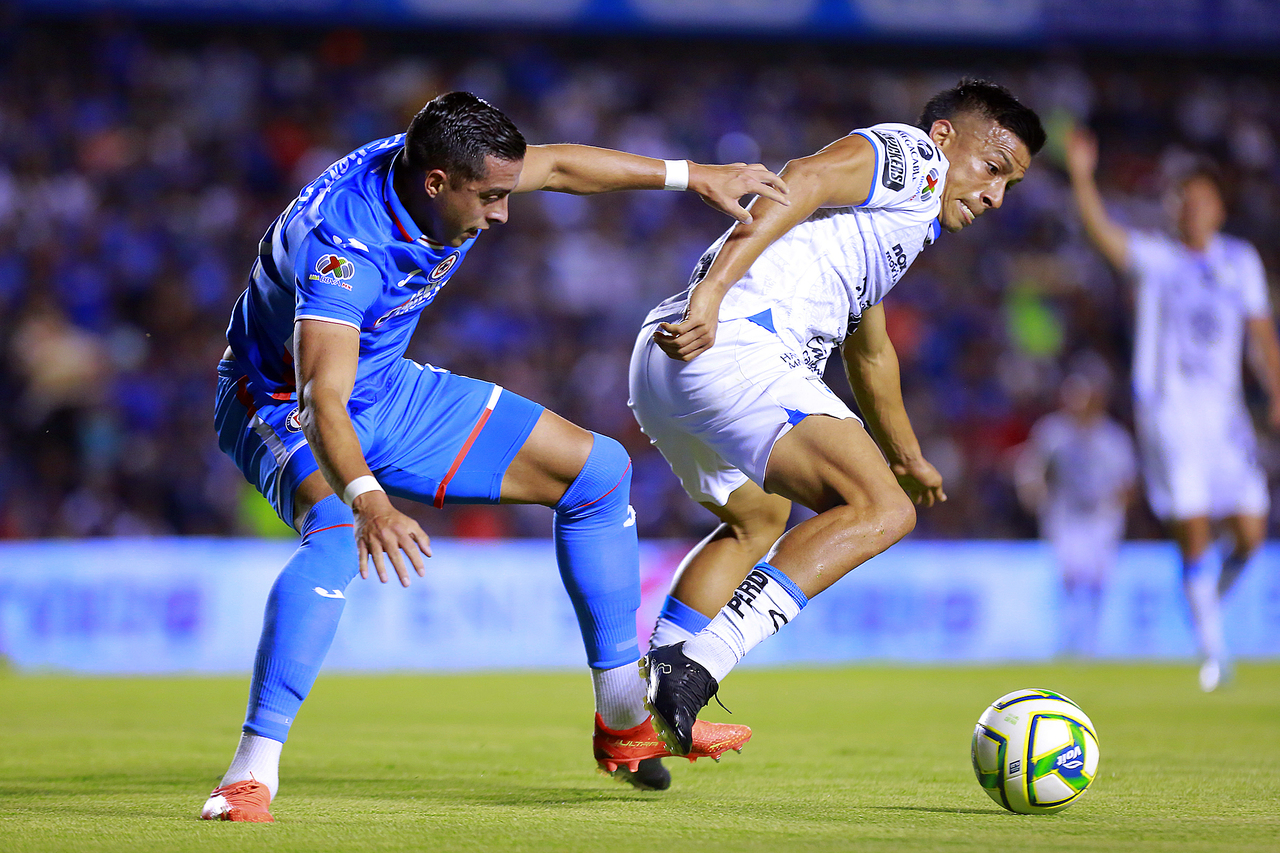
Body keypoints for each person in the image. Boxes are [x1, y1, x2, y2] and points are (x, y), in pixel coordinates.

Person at [200, 91, 789, 821]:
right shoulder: (345, 247)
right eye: (491, 197)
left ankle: (623, 717)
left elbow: (562, 166)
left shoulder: (446, 165)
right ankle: (248, 774)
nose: (504, 212)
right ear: (438, 183)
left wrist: (693, 175)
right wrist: (369, 499)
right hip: (279, 402)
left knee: (599, 473)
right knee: (336, 533)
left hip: (385, 391)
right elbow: (323, 398)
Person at [628, 79, 1045, 754]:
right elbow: (805, 176)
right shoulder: (916, 158)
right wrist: (714, 292)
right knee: (881, 510)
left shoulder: (879, 231)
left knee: (759, 518)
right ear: (944, 137)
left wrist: (907, 456)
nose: (996, 195)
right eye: (993, 168)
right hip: (731, 339)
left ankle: (640, 709)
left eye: (1010, 186)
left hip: (664, 359)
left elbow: (870, 354)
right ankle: (700, 666)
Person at [1065, 130, 1280, 691]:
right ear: (1173, 208)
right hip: (1170, 416)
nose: (1193, 208)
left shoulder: (1240, 261)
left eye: (1203, 199)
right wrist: (1083, 177)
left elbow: (1261, 335)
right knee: (1195, 525)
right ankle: (1214, 652)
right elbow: (1104, 235)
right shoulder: (1156, 258)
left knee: (1252, 532)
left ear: (1220, 208)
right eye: (1184, 199)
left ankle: (1206, 600)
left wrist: (1277, 391)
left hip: (1226, 417)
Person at [1014, 355, 1137, 657]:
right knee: (1068, 576)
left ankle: (1093, 639)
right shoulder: (1053, 431)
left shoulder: (1112, 437)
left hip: (1101, 514)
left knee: (1097, 578)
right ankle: (1069, 638)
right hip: (1065, 512)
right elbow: (1033, 467)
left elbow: (1128, 482)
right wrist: (1036, 495)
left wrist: (1117, 512)